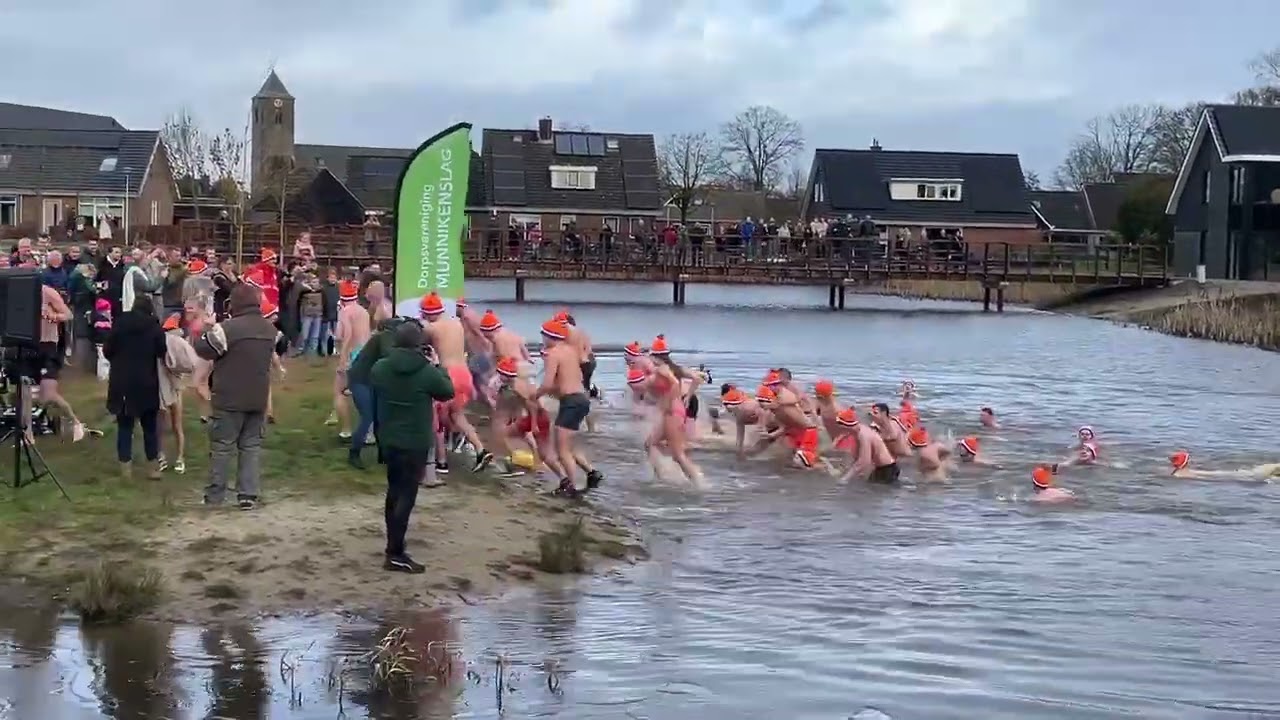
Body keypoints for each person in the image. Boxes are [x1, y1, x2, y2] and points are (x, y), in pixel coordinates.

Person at [370, 321, 456, 573]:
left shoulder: (381, 368)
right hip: (416, 441)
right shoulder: (427, 371)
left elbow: (375, 380)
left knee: (394, 491)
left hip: (389, 438)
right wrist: (438, 364)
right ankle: (396, 552)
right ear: (420, 345)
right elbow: (447, 392)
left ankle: (392, 546)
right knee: (407, 495)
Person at [192, 283, 278, 509]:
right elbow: (281, 347)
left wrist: (207, 329)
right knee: (250, 447)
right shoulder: (270, 329)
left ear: (234, 303)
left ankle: (215, 496)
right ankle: (248, 495)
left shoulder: (227, 329)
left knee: (221, 447)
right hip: (257, 397)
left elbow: (203, 349)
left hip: (228, 398)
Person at [536, 318, 603, 495]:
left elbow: (547, 384)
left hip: (571, 402)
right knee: (568, 445)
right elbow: (577, 377)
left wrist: (534, 395)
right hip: (581, 399)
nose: (542, 340)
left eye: (543, 335)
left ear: (549, 337)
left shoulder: (554, 354)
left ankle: (571, 487)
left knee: (562, 450)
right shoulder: (571, 351)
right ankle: (591, 472)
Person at [103, 296, 168, 479]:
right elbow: (162, 351)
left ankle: (126, 469)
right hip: (146, 381)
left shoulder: (120, 323)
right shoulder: (154, 327)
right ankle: (153, 468)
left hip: (121, 381)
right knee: (149, 427)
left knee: (125, 427)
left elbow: (107, 350)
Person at [157, 313, 198, 474]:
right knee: (176, 426)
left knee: (160, 426)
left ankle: (162, 457)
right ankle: (179, 459)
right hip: (176, 387)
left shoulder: (159, 342)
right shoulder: (180, 343)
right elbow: (192, 363)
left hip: (163, 387)